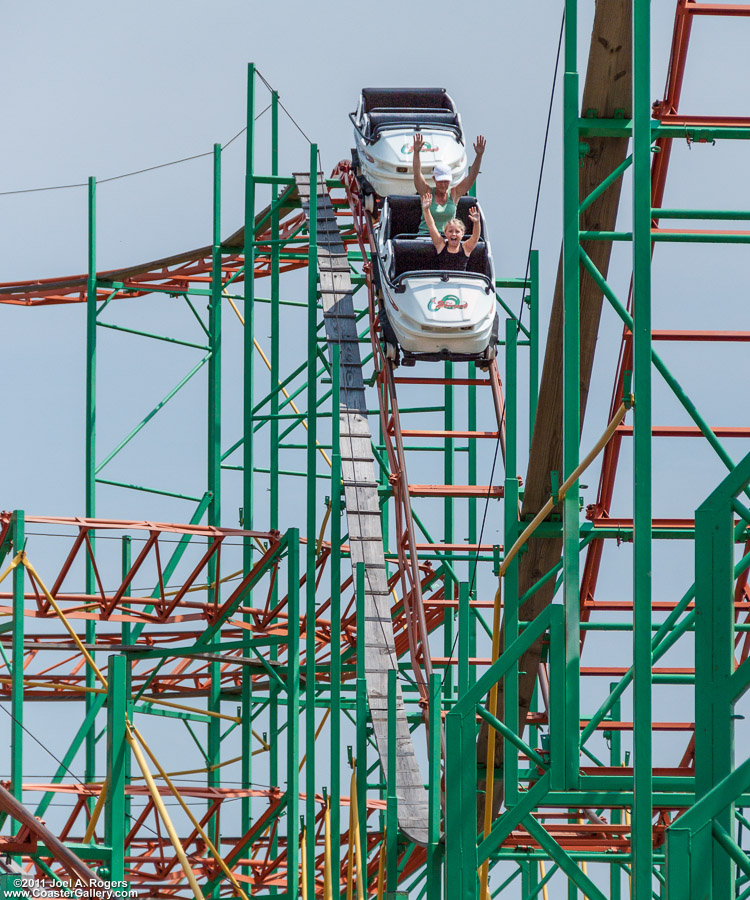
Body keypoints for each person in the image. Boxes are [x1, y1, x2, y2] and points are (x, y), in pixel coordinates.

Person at [413, 132, 486, 235]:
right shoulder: (427, 192)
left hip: (448, 240)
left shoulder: (454, 193)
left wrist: (479, 155)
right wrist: (416, 152)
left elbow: (471, 177)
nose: (443, 185)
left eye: (446, 181)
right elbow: (417, 173)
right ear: (434, 179)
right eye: (440, 181)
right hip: (426, 237)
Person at [421, 191, 481, 270]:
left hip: (459, 281)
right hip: (443, 281)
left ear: (462, 233)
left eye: (457, 232)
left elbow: (475, 237)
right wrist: (426, 210)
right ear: (445, 233)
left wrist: (476, 222)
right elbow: (431, 226)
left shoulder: (466, 248)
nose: (454, 234)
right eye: (450, 231)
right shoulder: (441, 246)